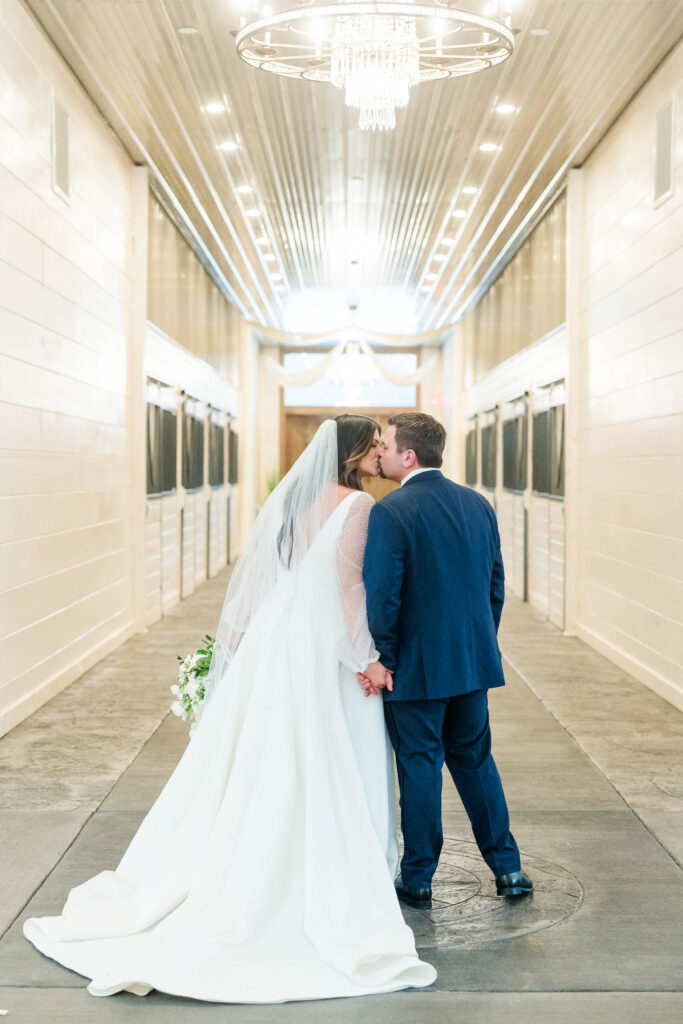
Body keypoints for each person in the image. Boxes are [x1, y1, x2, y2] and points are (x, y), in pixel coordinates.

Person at [23, 415, 436, 1003]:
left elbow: (278, 576)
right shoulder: (358, 508)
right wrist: (367, 658)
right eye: (372, 446)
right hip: (323, 646)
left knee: (268, 750)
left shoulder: (292, 498)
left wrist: (243, 640)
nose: (378, 454)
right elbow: (348, 589)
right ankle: (329, 871)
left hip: (281, 634)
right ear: (350, 453)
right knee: (330, 750)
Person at [359, 412, 533, 909]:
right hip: (471, 661)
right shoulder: (478, 505)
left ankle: (417, 878)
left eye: (388, 446)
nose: (383, 453)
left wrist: (383, 656)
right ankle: (509, 869)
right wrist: (477, 641)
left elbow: (383, 595)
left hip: (414, 667)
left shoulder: (391, 512)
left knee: (420, 767)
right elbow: (494, 586)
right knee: (476, 762)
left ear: (408, 456)